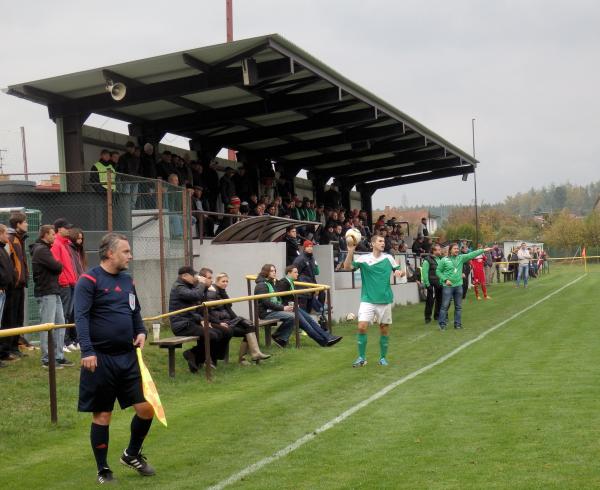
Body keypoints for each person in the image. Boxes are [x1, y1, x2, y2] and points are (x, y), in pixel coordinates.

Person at [75, 233, 155, 483]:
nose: (130, 256)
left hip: (128, 357)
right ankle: (103, 470)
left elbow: (135, 310)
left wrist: (140, 331)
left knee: (147, 408)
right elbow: (81, 317)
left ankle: (131, 454)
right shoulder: (88, 280)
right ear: (110, 253)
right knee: (103, 415)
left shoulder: (127, 280)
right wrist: (87, 351)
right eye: (126, 251)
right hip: (100, 359)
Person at [343, 235, 406, 367]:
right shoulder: (364, 259)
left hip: (384, 299)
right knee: (361, 327)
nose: (383, 243)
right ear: (372, 244)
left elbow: (399, 271)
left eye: (384, 241)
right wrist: (350, 251)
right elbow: (347, 267)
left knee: (384, 329)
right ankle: (361, 358)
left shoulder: (388, 258)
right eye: (380, 241)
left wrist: (400, 273)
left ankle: (382, 358)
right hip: (367, 300)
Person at [169, 266, 231, 372]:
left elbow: (198, 303)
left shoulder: (187, 285)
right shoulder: (179, 287)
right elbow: (196, 296)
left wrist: (205, 287)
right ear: (184, 276)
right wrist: (202, 283)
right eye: (193, 275)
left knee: (217, 333)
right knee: (212, 335)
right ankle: (192, 354)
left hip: (190, 321)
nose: (195, 277)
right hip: (182, 325)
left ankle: (196, 358)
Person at [31, 225, 73, 368]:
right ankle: (46, 358)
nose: (54, 237)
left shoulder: (45, 249)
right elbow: (57, 267)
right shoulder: (41, 250)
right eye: (52, 234)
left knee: (60, 323)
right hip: (46, 292)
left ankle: (58, 356)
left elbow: (57, 267)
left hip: (54, 291)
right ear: (44, 235)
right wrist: (58, 265)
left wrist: (57, 265)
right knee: (47, 326)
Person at [205, 273, 271, 365]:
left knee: (250, 326)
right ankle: (244, 359)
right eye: (223, 281)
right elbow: (209, 312)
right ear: (216, 281)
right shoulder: (212, 292)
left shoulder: (222, 291)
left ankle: (250, 356)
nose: (225, 283)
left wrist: (239, 320)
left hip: (227, 321)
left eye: (227, 281)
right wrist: (220, 322)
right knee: (246, 327)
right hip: (220, 324)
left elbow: (229, 310)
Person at [275, 265, 342, 347]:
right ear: (289, 273)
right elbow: (278, 298)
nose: (297, 274)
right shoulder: (283, 282)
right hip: (287, 309)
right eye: (295, 272)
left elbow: (288, 297)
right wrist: (287, 306)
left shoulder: (290, 282)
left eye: (297, 272)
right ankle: (324, 341)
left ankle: (328, 337)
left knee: (310, 320)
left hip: (293, 307)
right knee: (307, 326)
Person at [436, 244, 491, 330]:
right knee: (444, 306)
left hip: (458, 286)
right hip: (448, 286)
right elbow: (438, 271)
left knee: (458, 306)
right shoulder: (444, 260)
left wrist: (483, 250)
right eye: (455, 249)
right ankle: (442, 324)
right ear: (450, 250)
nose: (457, 250)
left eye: (458, 248)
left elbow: (471, 254)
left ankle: (457, 324)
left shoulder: (461, 258)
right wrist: (445, 280)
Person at [51, 218, 79, 353]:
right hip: (65, 284)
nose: (69, 230)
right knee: (63, 315)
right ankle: (61, 343)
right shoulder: (57, 244)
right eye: (66, 228)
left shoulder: (65, 244)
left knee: (68, 314)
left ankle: (67, 341)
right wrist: (64, 281)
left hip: (70, 283)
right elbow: (58, 265)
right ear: (59, 229)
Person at [4, 212, 29, 357]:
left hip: (20, 284)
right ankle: (7, 349)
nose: (26, 224)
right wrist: (14, 278)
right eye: (24, 222)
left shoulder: (19, 239)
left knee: (18, 317)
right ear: (18, 224)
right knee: (10, 318)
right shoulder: (11, 239)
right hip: (12, 286)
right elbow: (8, 262)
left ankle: (15, 346)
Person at [254, 264, 295, 348]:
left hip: (272, 310)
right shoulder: (262, 285)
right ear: (266, 272)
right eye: (272, 271)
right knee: (292, 316)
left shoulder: (270, 282)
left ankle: (279, 337)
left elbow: (277, 296)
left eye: (275, 271)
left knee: (294, 314)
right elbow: (266, 302)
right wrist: (283, 308)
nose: (274, 273)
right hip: (265, 313)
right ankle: (279, 338)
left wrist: (284, 307)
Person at [64, 227, 86, 350]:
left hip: (77, 283)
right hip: (71, 284)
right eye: (78, 238)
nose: (80, 241)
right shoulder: (69, 249)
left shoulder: (78, 251)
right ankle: (68, 340)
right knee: (69, 313)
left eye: (81, 238)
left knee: (74, 313)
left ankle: (75, 339)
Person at [292, 241, 323, 314]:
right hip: (302, 290)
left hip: (310, 288)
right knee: (303, 312)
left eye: (311, 246)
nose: (310, 248)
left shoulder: (312, 258)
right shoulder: (300, 259)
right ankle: (320, 308)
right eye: (308, 246)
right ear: (304, 248)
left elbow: (315, 273)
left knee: (308, 312)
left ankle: (320, 308)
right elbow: (294, 274)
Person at [0, 224, 15, 367]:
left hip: (6, 290)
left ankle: (4, 352)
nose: (7, 237)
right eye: (5, 234)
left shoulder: (2, 249)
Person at [420, 244, 443, 324]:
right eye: (439, 249)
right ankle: (427, 318)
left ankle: (437, 316)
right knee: (430, 301)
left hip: (440, 284)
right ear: (434, 251)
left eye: (440, 249)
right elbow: (424, 272)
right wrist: (428, 284)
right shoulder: (427, 260)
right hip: (431, 284)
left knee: (439, 301)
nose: (440, 251)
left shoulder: (440, 259)